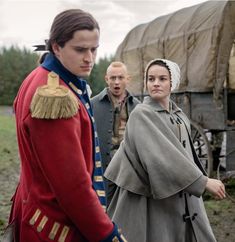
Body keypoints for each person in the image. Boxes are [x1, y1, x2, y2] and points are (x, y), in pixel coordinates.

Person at [7, 9, 127, 242]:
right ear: (56, 47)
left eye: (94, 49)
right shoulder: (53, 96)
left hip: (36, 211)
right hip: (56, 226)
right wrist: (108, 235)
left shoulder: (39, 76)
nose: (89, 58)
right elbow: (73, 188)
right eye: (80, 49)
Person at [104, 58, 226, 242]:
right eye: (151, 79)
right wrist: (203, 182)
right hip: (151, 200)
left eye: (162, 79)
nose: (156, 84)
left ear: (172, 83)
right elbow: (161, 158)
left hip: (182, 194)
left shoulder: (178, 115)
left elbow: (189, 157)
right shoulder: (141, 114)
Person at [91, 61, 140, 205]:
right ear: (107, 79)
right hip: (102, 170)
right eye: (113, 78)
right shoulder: (92, 104)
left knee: (127, 208)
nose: (116, 82)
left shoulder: (138, 107)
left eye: (120, 77)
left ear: (128, 79)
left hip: (129, 168)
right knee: (103, 208)